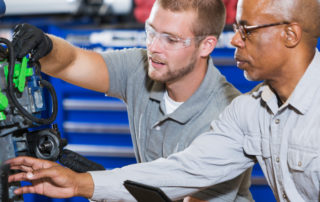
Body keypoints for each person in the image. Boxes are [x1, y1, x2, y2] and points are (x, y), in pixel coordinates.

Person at [8, 0, 254, 201]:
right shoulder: (142, 67)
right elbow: (72, 61)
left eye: (170, 39)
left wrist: (96, 184)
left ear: (206, 45)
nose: (154, 47)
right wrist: (47, 46)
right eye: (151, 31)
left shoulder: (227, 114)